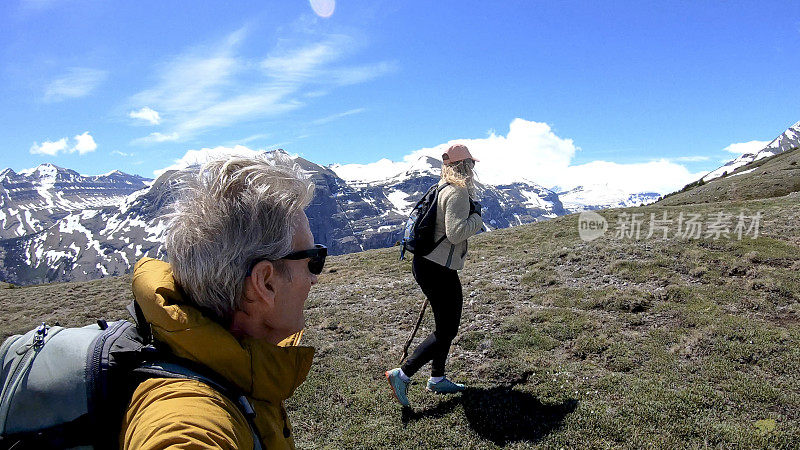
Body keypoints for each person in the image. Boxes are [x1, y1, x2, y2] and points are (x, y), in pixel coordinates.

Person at [121, 156, 326, 449]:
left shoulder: (244, 359)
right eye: (313, 261)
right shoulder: (189, 417)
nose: (315, 278)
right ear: (265, 283)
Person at [386, 144, 484, 407]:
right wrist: (478, 219)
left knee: (445, 324)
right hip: (438, 268)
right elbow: (456, 233)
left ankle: (438, 378)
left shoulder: (440, 186)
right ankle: (403, 374)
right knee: (447, 329)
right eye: (471, 164)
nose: (473, 169)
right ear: (465, 166)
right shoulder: (458, 192)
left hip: (428, 264)